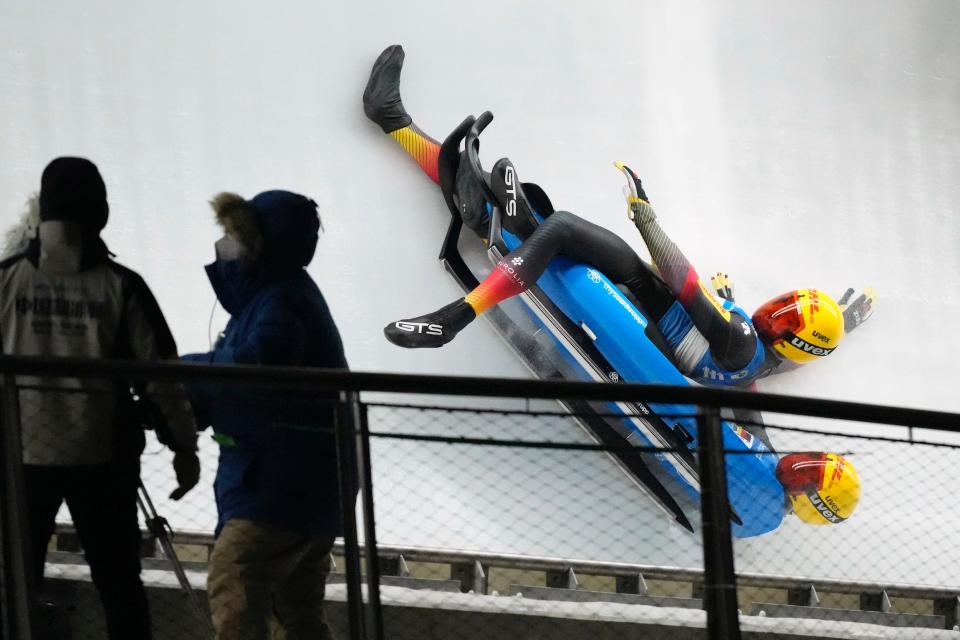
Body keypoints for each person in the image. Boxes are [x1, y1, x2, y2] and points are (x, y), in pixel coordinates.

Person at [364, 45, 867, 525]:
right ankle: (409, 135)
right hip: (650, 317)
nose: (775, 312)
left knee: (555, 227)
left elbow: (682, 278)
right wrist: (846, 320)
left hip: (638, 305)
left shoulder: (742, 349)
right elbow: (749, 397)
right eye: (785, 307)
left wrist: (644, 213)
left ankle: (459, 312)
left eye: (786, 320)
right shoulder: (765, 367)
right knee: (519, 215)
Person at [0, 157, 200, 639]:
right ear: (99, 211)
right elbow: (162, 377)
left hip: (19, 457)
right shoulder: (121, 287)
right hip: (102, 460)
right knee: (118, 584)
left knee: (14, 584)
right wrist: (183, 446)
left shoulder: (6, 281)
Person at [181, 189, 349, 640]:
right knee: (293, 608)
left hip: (281, 482)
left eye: (235, 238)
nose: (225, 249)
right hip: (302, 478)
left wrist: (180, 372)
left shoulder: (281, 303)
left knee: (236, 575)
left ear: (257, 245)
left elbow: (259, 367)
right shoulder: (278, 298)